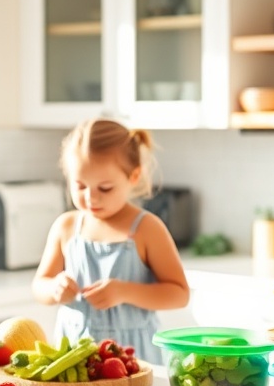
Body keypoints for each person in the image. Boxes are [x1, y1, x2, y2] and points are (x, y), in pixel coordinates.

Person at [32, 118, 190, 364]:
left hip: (135, 359)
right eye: (80, 186)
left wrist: (124, 291)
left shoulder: (147, 229)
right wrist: (54, 288)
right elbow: (39, 285)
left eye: (105, 188)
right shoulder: (66, 227)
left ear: (134, 176)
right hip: (72, 357)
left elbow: (179, 294)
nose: (91, 198)